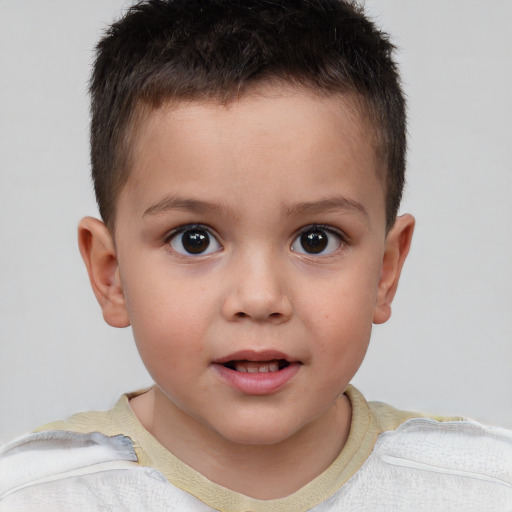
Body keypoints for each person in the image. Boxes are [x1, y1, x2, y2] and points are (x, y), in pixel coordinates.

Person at [0, 0, 511, 510]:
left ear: (385, 270)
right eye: (194, 239)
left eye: (316, 239)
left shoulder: (481, 491)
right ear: (111, 276)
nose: (260, 297)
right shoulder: (34, 498)